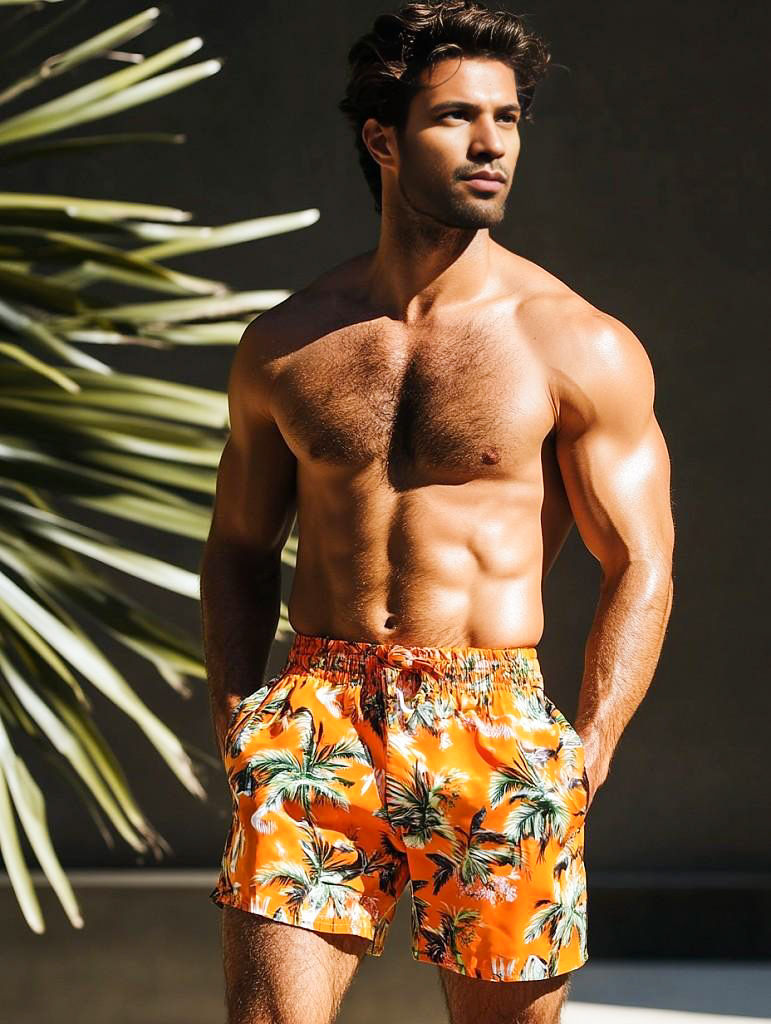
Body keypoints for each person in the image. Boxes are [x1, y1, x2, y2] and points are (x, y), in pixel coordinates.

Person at [201, 2, 675, 1022]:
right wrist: (239, 715)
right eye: (457, 117)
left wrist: (586, 749)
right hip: (318, 712)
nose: (492, 143)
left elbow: (642, 560)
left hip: (495, 720)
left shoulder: (575, 342)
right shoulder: (288, 344)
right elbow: (241, 544)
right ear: (382, 138)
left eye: (508, 119)